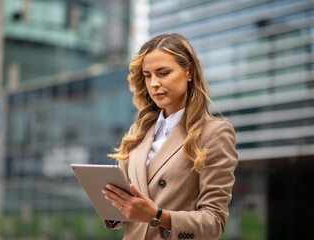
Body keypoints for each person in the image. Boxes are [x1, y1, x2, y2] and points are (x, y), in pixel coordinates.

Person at [101, 33, 238, 240]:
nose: (154, 83)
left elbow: (214, 222)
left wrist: (158, 216)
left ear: (189, 71)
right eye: (148, 75)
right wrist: (112, 204)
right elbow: (127, 208)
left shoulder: (214, 133)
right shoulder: (138, 131)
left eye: (163, 73)